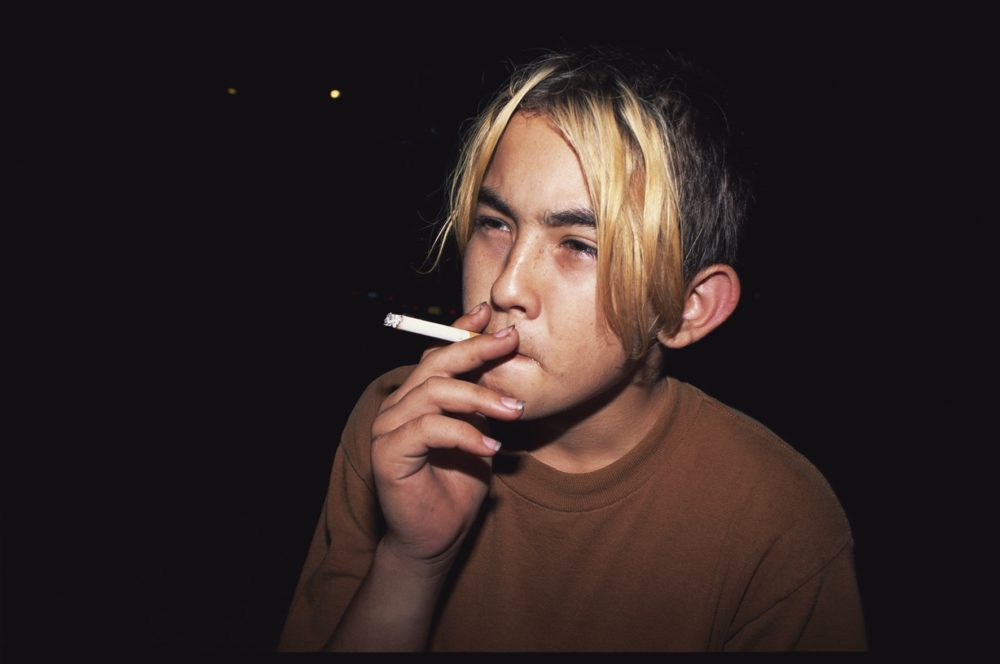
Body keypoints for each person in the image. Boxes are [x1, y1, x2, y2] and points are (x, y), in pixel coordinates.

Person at [277, 46, 867, 652]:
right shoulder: (401, 421)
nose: (506, 286)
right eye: (495, 223)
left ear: (689, 308)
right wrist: (412, 561)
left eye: (580, 245)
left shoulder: (779, 522)